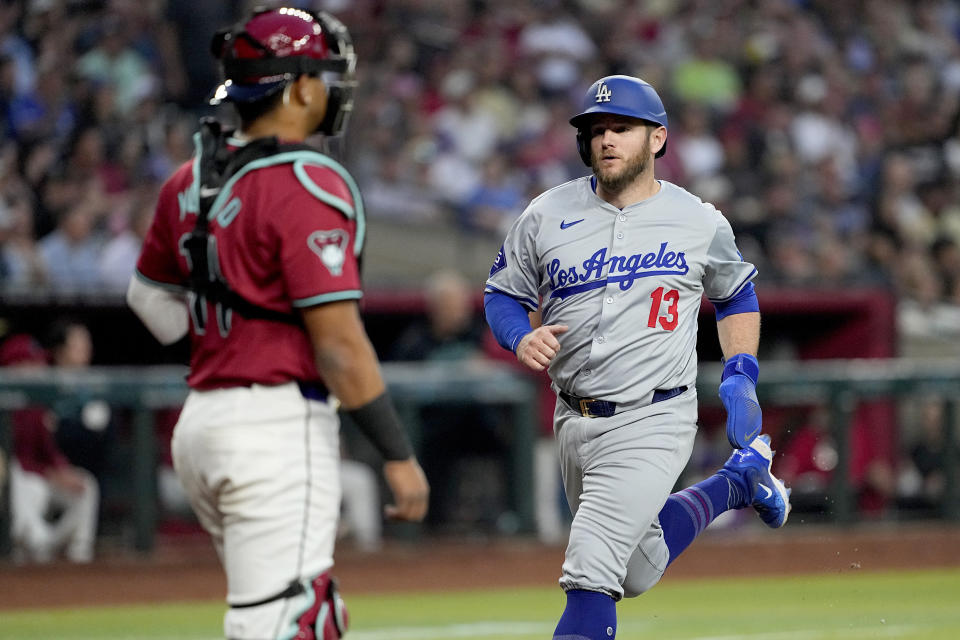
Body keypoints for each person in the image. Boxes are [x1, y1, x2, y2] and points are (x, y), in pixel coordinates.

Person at [125, 8, 429, 640]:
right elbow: (340, 346)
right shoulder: (307, 179)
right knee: (286, 621)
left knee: (307, 609)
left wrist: (226, 350)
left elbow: (147, 300)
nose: (333, 89)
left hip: (203, 424)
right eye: (324, 75)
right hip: (274, 430)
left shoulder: (187, 180)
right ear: (297, 86)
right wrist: (397, 455)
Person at [483, 75, 791, 639]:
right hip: (572, 417)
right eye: (596, 129)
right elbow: (504, 292)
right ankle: (738, 484)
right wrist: (517, 337)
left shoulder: (698, 219)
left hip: (655, 415)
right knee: (635, 570)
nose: (606, 139)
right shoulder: (546, 213)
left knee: (589, 573)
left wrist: (740, 374)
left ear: (658, 139)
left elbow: (736, 294)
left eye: (621, 128)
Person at [0, 333, 99, 564]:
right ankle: (38, 546)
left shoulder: (36, 404)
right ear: (14, 367)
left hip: (38, 475)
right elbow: (14, 457)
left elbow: (47, 449)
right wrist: (49, 472)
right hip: (18, 478)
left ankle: (76, 554)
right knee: (25, 483)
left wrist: (61, 469)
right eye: (31, 364)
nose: (40, 368)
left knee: (86, 486)